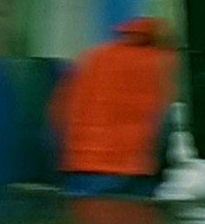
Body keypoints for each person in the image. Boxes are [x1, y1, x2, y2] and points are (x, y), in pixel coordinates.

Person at [49, 15, 177, 193]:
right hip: (134, 170)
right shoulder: (164, 62)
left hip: (82, 166)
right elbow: (166, 119)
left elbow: (59, 113)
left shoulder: (93, 57)